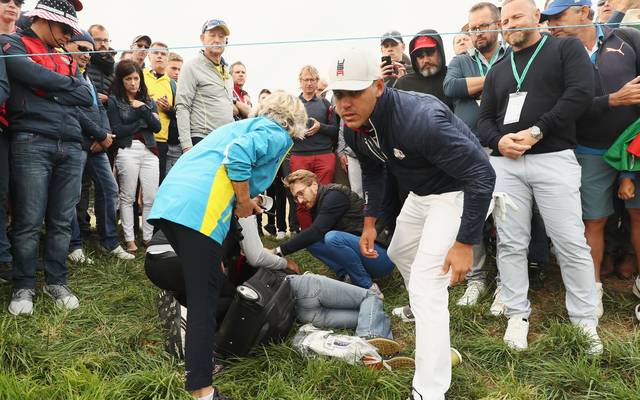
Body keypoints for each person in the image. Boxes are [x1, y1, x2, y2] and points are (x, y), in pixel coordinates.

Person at [328, 47, 495, 400]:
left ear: (377, 85)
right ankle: (428, 313)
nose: (344, 104)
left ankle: (430, 390)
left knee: (424, 283)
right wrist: (370, 221)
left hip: (458, 191)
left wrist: (465, 243)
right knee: (402, 252)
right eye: (338, 94)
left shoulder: (421, 118)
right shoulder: (356, 124)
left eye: (353, 93)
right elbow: (374, 169)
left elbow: (482, 173)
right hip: (422, 194)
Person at [148, 91, 307, 400]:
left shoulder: (238, 127)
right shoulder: (275, 132)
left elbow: (220, 164)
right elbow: (237, 156)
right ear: (292, 122)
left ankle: (197, 368)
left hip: (173, 204)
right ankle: (203, 390)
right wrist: (245, 200)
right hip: (199, 212)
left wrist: (244, 200)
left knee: (202, 292)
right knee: (204, 303)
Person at [478, 0, 602, 354]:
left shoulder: (564, 48)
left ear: (536, 16)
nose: (509, 24)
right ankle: (517, 315)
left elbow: (579, 95)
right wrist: (499, 140)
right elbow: (485, 119)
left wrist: (536, 131)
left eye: (516, 16)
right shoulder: (499, 67)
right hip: (507, 165)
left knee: (570, 242)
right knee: (510, 242)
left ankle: (584, 322)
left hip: (554, 157)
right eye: (503, 20)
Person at [544, 0, 640, 317]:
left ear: (584, 12)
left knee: (639, 215)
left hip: (634, 146)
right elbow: (563, 109)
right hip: (588, 148)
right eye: (547, 19)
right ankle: (593, 288)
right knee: (593, 220)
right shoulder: (555, 56)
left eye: (558, 16)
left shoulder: (626, 39)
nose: (550, 25)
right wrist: (612, 100)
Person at [1, 0, 92, 315]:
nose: (69, 36)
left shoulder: (67, 55)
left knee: (61, 220)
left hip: (70, 143)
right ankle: (23, 286)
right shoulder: (11, 41)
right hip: (31, 140)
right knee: (28, 220)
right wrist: (62, 87)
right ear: (45, 20)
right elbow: (23, 71)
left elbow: (86, 95)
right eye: (65, 28)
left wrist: (45, 85)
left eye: (71, 30)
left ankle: (56, 280)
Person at [443, 2, 510, 309]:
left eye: (483, 26)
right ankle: (476, 278)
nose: (478, 33)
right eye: (472, 28)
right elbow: (452, 86)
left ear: (498, 25)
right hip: (468, 149)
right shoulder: (460, 60)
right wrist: (497, 80)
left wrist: (487, 82)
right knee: (471, 214)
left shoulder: (511, 54)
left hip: (504, 147)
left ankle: (505, 283)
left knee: (506, 217)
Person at [66, 31, 134, 264]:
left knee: (109, 188)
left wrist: (106, 136)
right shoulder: (64, 73)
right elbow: (73, 111)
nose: (86, 55)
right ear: (67, 46)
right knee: (72, 194)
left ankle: (109, 241)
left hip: (98, 145)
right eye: (81, 49)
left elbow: (100, 110)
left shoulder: (86, 77)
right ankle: (73, 245)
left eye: (89, 50)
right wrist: (99, 134)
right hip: (77, 142)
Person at [274, 170, 394, 295]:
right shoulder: (318, 203)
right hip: (363, 253)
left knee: (332, 238)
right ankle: (347, 277)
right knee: (309, 241)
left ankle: (369, 289)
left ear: (314, 185)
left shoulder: (334, 195)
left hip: (380, 256)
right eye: (296, 198)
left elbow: (317, 231)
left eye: (301, 193)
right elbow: (312, 235)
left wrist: (278, 251)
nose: (299, 201)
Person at [108, 60, 161, 253]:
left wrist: (143, 108)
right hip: (127, 150)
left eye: (136, 78)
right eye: (128, 79)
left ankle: (147, 237)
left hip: (150, 150)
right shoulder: (115, 100)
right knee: (127, 196)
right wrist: (142, 120)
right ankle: (130, 239)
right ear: (121, 80)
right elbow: (117, 130)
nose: (133, 83)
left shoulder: (147, 99)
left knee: (150, 196)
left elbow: (157, 127)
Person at [290, 65, 339, 229]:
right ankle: (306, 235)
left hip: (324, 155)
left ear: (317, 82)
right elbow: (284, 130)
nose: (309, 83)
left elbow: (335, 131)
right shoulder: (293, 105)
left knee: (324, 196)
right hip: (299, 155)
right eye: (306, 80)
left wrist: (320, 127)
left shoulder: (326, 104)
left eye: (312, 80)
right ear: (300, 81)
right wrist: (295, 130)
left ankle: (322, 231)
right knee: (301, 196)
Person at [176, 19, 235, 153]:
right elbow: (182, 106)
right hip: (202, 139)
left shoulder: (227, 71)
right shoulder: (191, 66)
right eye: (212, 35)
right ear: (202, 38)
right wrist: (186, 146)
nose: (217, 40)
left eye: (221, 36)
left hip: (226, 141)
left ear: (226, 41)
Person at [0, 0, 21, 283]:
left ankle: (5, 257)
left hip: (13, 127)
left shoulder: (23, 40)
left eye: (18, 1)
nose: (12, 5)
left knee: (6, 194)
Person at [395, 30, 453, 109]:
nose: (426, 60)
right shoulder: (403, 85)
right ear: (414, 59)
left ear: (440, 52)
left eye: (430, 53)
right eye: (420, 56)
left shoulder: (453, 78)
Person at [144, 41, 175, 182]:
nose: (159, 56)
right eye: (156, 52)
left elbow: (179, 113)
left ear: (167, 59)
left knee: (157, 183)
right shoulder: (139, 75)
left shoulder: (173, 84)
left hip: (161, 140)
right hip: (139, 136)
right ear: (149, 55)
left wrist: (169, 109)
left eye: (163, 54)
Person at [87, 24, 115, 104]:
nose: (103, 44)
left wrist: (108, 99)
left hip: (107, 114)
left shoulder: (115, 69)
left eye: (106, 40)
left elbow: (121, 98)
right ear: (89, 40)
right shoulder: (83, 63)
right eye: (98, 40)